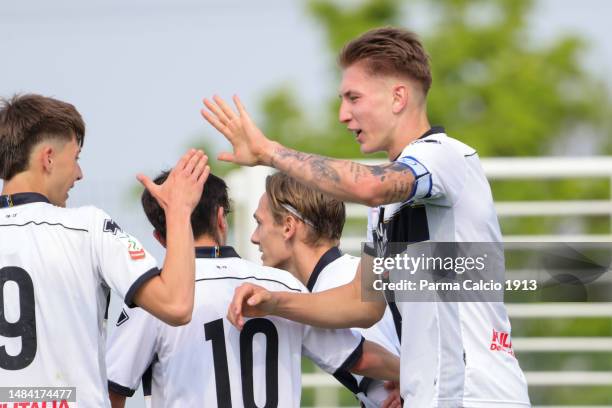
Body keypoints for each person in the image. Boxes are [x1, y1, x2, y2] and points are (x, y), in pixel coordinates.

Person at [201, 27, 531, 407]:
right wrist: (274, 302)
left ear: (398, 97)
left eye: (353, 98)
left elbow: (371, 186)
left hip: (476, 397)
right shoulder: (387, 202)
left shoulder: (444, 156)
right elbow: (363, 305)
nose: (343, 114)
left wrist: (270, 152)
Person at [105, 171, 400, 408]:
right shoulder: (292, 288)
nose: (254, 237)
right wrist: (417, 377)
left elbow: (110, 391)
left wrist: (418, 382)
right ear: (221, 219)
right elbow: (366, 354)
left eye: (260, 222)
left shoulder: (155, 299)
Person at [0, 94, 209, 407]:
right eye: (77, 158)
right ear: (48, 158)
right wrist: (178, 210)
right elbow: (176, 306)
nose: (80, 174)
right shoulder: (87, 227)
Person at [252, 171, 401, 408]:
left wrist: (412, 379)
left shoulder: (332, 286)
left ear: (289, 226)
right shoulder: (346, 273)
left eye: (259, 223)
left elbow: (368, 361)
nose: (254, 237)